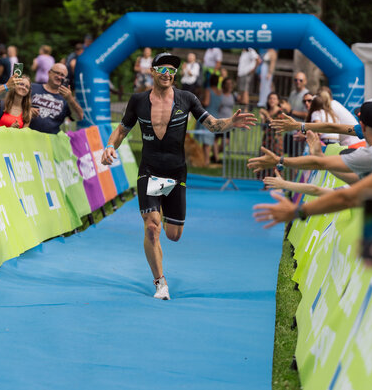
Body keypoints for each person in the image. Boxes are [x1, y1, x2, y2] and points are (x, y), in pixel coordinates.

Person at [101, 53, 257, 300]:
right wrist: (110, 146)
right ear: (152, 72)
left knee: (173, 235)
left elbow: (212, 124)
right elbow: (122, 130)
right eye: (162, 68)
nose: (167, 73)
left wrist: (231, 123)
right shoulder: (138, 100)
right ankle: (160, 282)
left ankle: (160, 213)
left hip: (175, 173)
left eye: (172, 70)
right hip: (150, 171)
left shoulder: (187, 98)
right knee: (152, 227)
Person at [249, 100, 372, 229]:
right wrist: (321, 158)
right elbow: (354, 180)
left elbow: (344, 196)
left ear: (363, 127)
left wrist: (279, 161)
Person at [29, 63, 84, 133]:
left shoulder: (66, 97)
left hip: (51, 141)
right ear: (49, 73)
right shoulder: (33, 88)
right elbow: (14, 105)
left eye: (62, 75)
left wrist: (70, 99)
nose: (59, 77)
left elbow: (79, 117)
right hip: (28, 137)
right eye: (57, 73)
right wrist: (27, 111)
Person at [257, 92, 284, 180]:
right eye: (270, 98)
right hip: (267, 139)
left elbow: (276, 125)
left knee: (276, 161)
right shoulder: (268, 111)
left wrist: (266, 115)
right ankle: (267, 182)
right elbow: (263, 128)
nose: (272, 100)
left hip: (276, 140)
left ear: (278, 101)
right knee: (265, 161)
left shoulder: (280, 112)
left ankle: (278, 183)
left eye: (274, 98)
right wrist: (262, 118)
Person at [197, 74, 222, 164]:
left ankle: (206, 161)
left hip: (207, 117)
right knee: (210, 140)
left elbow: (206, 103)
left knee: (206, 142)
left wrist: (199, 102)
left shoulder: (208, 90)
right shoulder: (220, 92)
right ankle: (206, 160)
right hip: (216, 116)